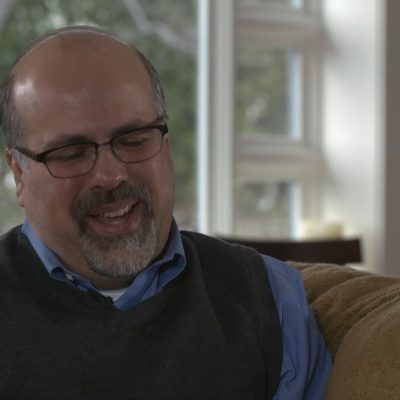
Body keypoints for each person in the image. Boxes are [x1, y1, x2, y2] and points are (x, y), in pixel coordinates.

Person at [0, 26, 331, 399]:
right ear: (19, 173)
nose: (110, 176)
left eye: (134, 140)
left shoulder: (274, 301)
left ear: (167, 149)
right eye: (71, 153)